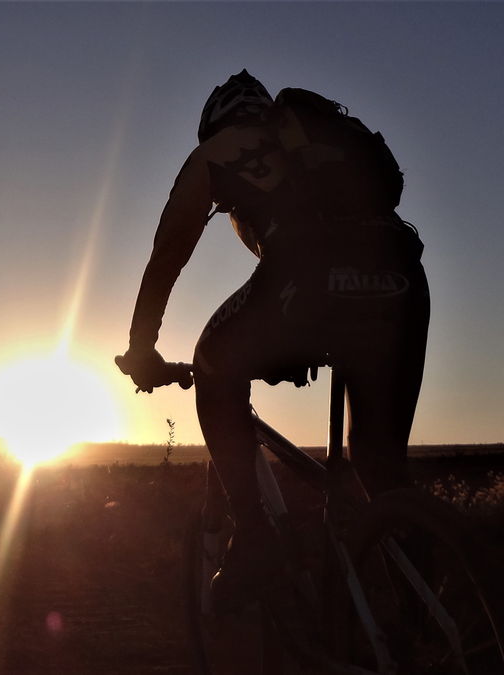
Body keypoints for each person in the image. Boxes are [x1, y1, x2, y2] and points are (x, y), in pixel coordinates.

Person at [115, 70, 430, 607]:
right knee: (380, 465)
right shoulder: (318, 139)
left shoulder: (217, 151)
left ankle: (254, 538)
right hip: (402, 280)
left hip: (304, 285)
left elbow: (167, 256)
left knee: (211, 361)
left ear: (214, 123)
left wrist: (142, 348)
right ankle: (432, 608)